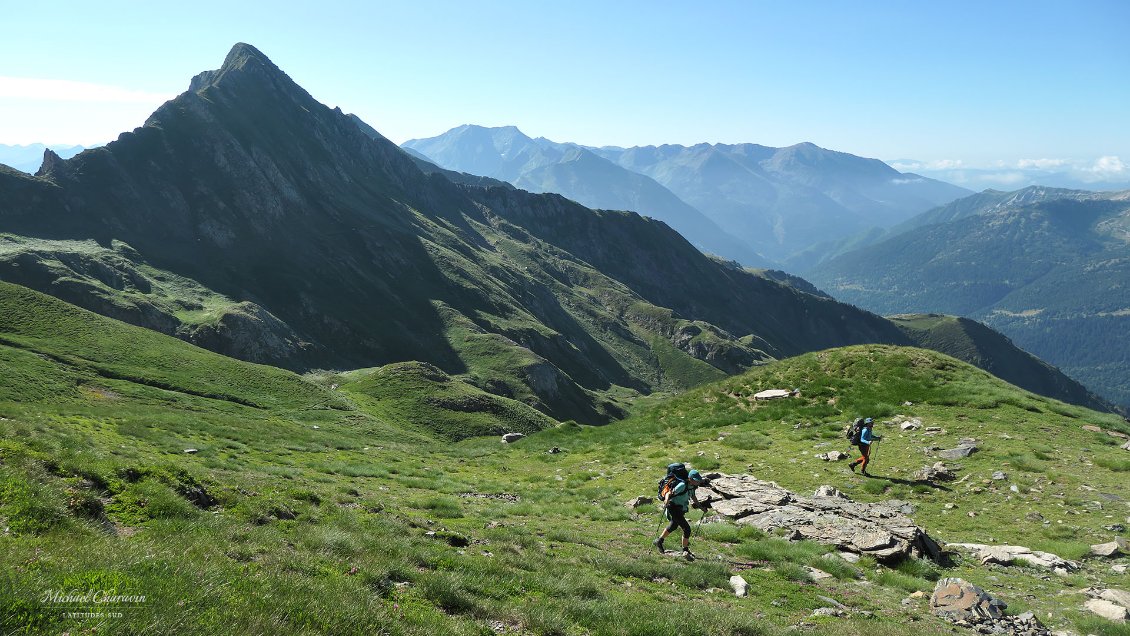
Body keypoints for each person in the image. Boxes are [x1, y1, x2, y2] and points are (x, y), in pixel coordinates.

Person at [654, 469, 707, 556]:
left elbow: (693, 497)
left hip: (680, 508)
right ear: (690, 479)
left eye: (698, 480)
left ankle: (659, 541)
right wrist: (666, 500)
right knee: (687, 529)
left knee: (673, 525)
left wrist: (701, 507)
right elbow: (669, 493)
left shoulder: (692, 487)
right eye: (697, 480)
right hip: (673, 507)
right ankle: (685, 550)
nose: (698, 482)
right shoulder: (682, 485)